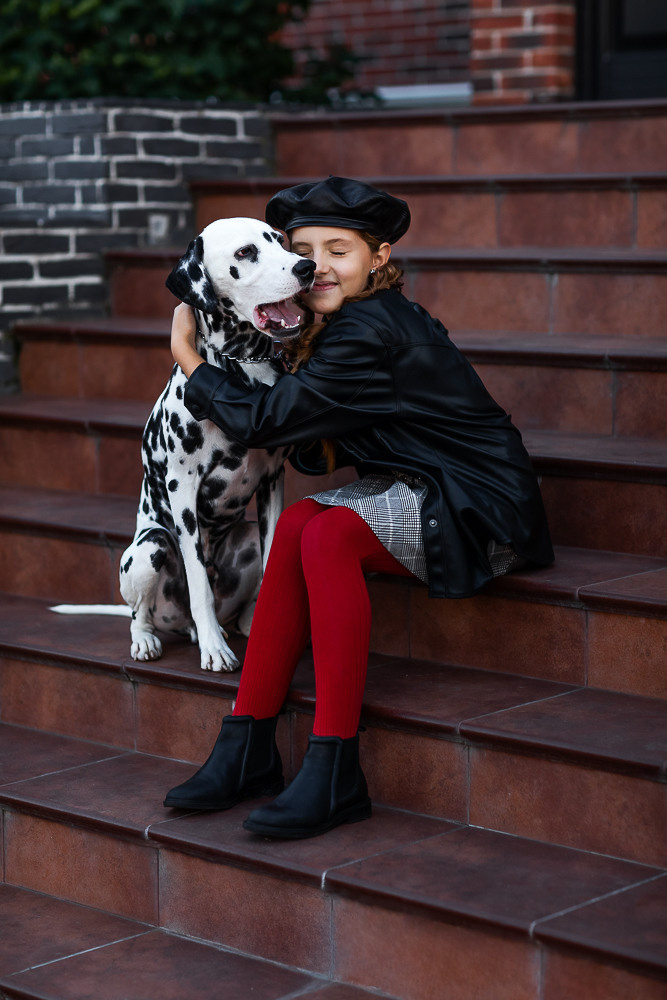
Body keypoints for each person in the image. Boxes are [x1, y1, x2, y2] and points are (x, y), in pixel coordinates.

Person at [164, 175, 554, 839]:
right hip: (425, 479)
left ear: (377, 259)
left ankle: (335, 768)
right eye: (305, 249)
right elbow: (315, 436)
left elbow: (263, 421)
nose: (317, 263)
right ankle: (247, 745)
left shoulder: (367, 329)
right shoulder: (343, 321)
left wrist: (185, 355)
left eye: (338, 249)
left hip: (482, 506)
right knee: (297, 520)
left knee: (329, 536)